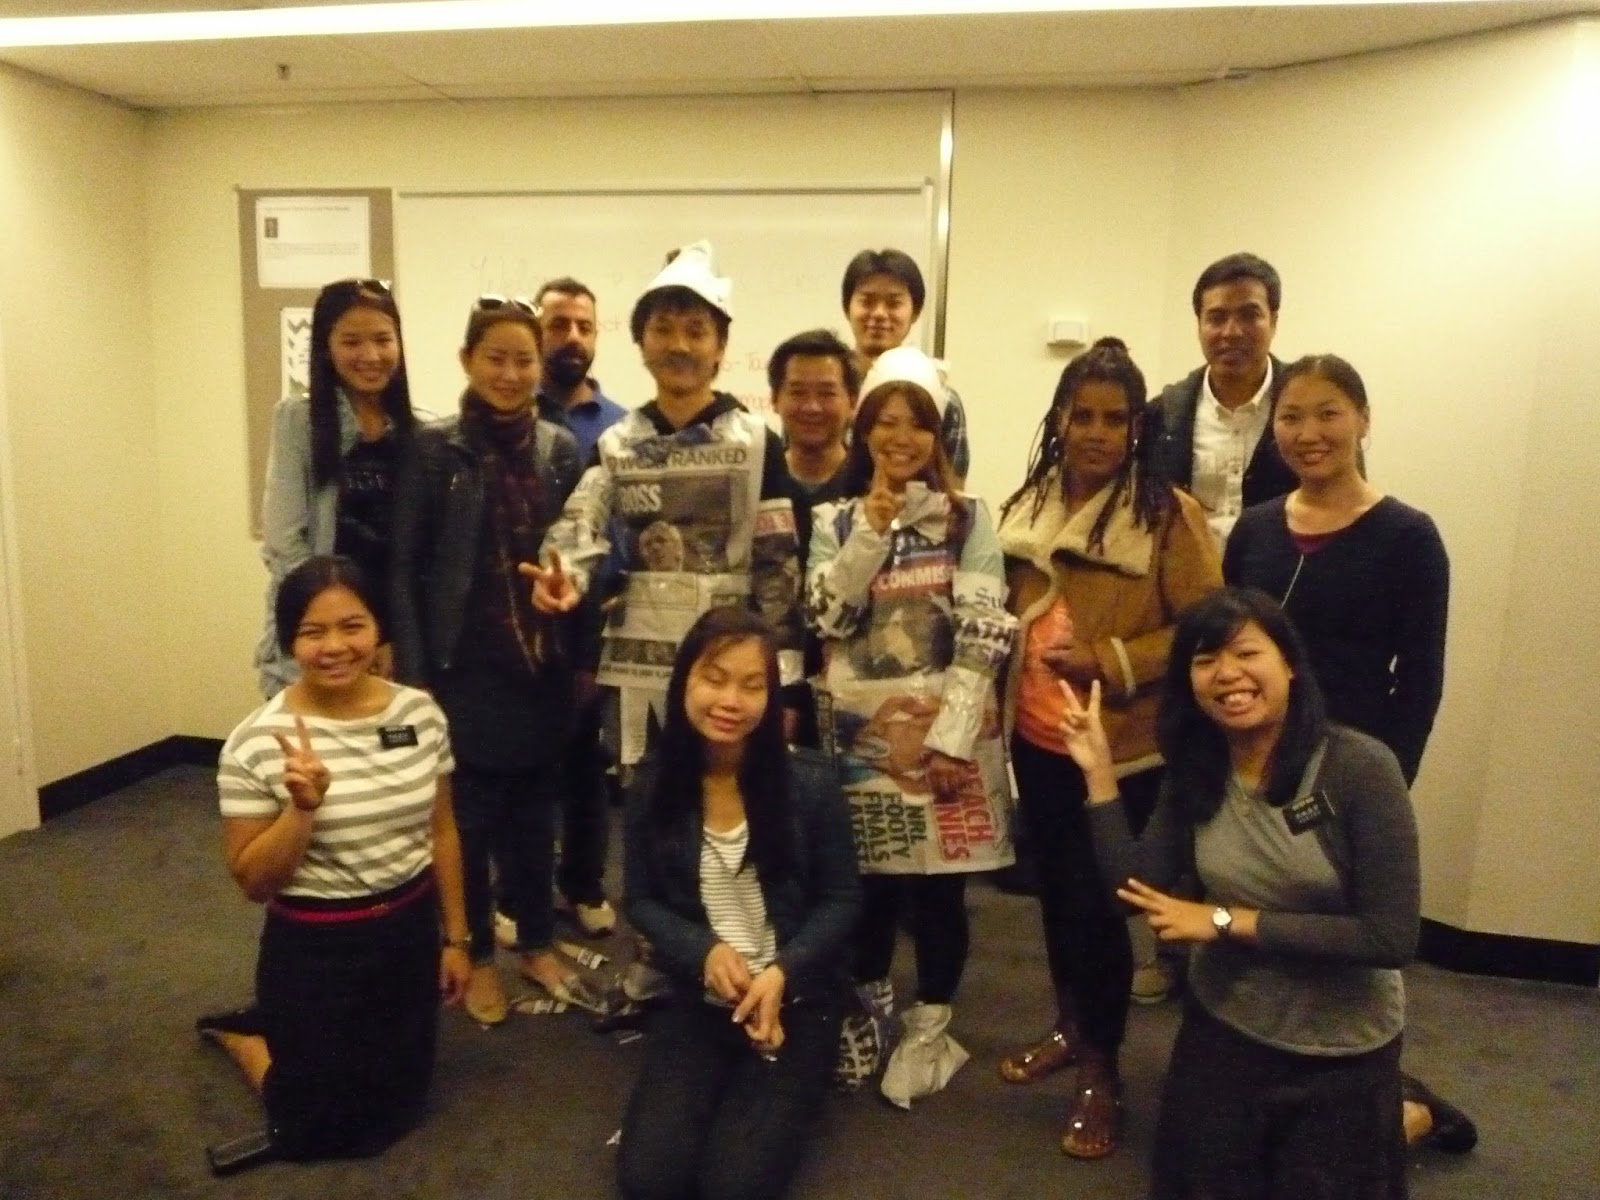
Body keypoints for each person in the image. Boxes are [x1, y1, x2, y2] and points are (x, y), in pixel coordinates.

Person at [1066, 586, 1420, 1197]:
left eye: (1246, 653)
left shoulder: (1359, 767)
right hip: (1225, 1026)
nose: (1227, 673)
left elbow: (1390, 937)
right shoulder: (1197, 766)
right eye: (1205, 660)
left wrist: (1225, 921)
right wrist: (1099, 773)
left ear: (1290, 664)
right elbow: (1131, 894)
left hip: (1340, 1047)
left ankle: (1407, 1116)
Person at [1222, 353, 1473, 1152]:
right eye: (1291, 416)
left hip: (1353, 773)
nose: (1309, 432)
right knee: (1260, 925)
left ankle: (1391, 1103)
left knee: (1345, 946)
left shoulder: (1409, 537)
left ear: (1364, 420)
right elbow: (1226, 650)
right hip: (1252, 763)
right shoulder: (1257, 528)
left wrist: (1387, 786)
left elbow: (1421, 678)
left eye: (1328, 413)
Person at [994, 337, 1220, 1157]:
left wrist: (1112, 660)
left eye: (1113, 418)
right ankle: (1071, 1026)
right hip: (1036, 739)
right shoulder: (1027, 502)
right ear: (1058, 418)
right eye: (1081, 415)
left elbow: (1206, 628)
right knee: (1055, 900)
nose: (1096, 432)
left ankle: (1103, 1068)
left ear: (1136, 428)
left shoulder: (1166, 514)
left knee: (1099, 913)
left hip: (1121, 753)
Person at [198, 554, 469, 1175]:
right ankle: (244, 1035)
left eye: (353, 626)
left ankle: (285, 1035)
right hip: (315, 944)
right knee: (310, 1129)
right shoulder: (255, 741)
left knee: (399, 1109)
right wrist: (302, 809)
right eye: (312, 632)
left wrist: (456, 940)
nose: (335, 647)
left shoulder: (419, 714)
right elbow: (253, 882)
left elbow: (443, 831)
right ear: (289, 640)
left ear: (378, 629)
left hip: (406, 932)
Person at [806, 346, 1016, 1105]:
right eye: (886, 422)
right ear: (863, 431)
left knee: (939, 895)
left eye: (918, 424)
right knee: (865, 886)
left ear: (939, 435)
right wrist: (869, 533)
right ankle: (868, 1008)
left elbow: (984, 630)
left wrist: (951, 741)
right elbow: (827, 619)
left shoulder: (970, 517)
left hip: (949, 739)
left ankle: (930, 1024)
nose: (902, 438)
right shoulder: (831, 520)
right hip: (862, 738)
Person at [389, 295, 591, 1026]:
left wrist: (582, 652)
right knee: (468, 824)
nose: (510, 373)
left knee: (536, 818)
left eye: (523, 360)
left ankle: (535, 941)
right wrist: (415, 679)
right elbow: (404, 569)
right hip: (461, 666)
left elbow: (582, 551)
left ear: (540, 366)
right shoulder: (431, 449)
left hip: (540, 662)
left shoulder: (559, 448)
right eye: (495, 358)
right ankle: (474, 955)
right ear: (467, 361)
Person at [529, 241, 805, 767]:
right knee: (644, 800)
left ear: (721, 346)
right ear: (641, 342)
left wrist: (785, 685)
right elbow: (578, 526)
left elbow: (779, 573)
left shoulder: (757, 443)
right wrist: (562, 577)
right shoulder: (617, 443)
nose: (679, 345)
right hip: (639, 669)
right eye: (663, 329)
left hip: (731, 670)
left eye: (696, 331)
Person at [616, 606, 860, 1200]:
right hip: (702, 998)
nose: (731, 701)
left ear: (771, 697)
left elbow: (842, 898)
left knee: (734, 1187)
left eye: (753, 686)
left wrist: (782, 971)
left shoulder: (809, 781)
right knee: (648, 1183)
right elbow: (641, 899)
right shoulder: (653, 783)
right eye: (715, 678)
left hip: (796, 999)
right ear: (684, 682)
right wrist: (703, 950)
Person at [254, 278, 427, 696]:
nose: (371, 355)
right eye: (351, 341)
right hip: (319, 640)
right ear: (326, 347)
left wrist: (388, 637)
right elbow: (284, 543)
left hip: (397, 644)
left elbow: (421, 555)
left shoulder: (422, 431)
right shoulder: (297, 421)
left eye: (383, 340)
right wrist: (346, 633)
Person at [534, 275, 628, 938]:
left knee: (588, 761)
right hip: (526, 612)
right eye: (558, 324)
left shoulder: (622, 426)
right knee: (525, 763)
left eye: (584, 327)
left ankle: (584, 884)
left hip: (601, 615)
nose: (572, 337)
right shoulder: (511, 411)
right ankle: (522, 891)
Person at [1148, 253, 1296, 550]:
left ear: (1274, 321)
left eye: (1249, 315)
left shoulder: (1308, 405)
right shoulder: (1163, 415)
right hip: (1188, 575)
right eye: (1216, 318)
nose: (1231, 332)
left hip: (1286, 575)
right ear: (1199, 324)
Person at [841, 248, 969, 481]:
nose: (879, 314)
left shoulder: (943, 399)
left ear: (915, 312)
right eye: (867, 301)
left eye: (893, 303)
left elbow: (953, 488)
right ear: (847, 307)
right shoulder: (825, 395)